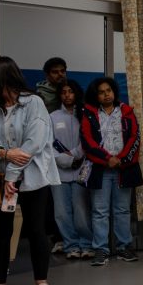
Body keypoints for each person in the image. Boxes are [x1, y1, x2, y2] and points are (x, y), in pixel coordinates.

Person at [0, 56, 60, 285]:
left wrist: (12, 176)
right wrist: (3, 153)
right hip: (2, 181)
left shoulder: (34, 103)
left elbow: (32, 145)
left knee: (36, 232)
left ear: (0, 76)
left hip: (32, 179)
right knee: (1, 234)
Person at [81, 76, 143, 266]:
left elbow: (134, 137)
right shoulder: (89, 113)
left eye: (109, 90)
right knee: (99, 211)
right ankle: (101, 249)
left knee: (123, 210)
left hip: (124, 168)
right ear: (96, 95)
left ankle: (124, 247)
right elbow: (87, 141)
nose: (106, 94)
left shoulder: (126, 111)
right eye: (101, 92)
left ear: (114, 91)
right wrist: (107, 159)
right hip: (100, 169)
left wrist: (121, 159)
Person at [49, 79, 93, 260]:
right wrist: (66, 160)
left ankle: (86, 244)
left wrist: (75, 155)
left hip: (81, 171)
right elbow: (47, 143)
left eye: (71, 91)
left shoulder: (85, 114)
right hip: (59, 172)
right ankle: (71, 245)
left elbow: (88, 140)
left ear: (76, 93)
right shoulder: (52, 117)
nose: (67, 95)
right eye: (64, 92)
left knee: (81, 211)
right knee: (61, 212)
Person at [37, 57, 69, 254]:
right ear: (47, 74)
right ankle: (54, 236)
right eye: (56, 71)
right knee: (50, 198)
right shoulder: (39, 95)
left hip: (69, 149)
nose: (60, 75)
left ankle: (66, 237)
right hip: (45, 149)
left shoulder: (69, 91)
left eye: (63, 71)